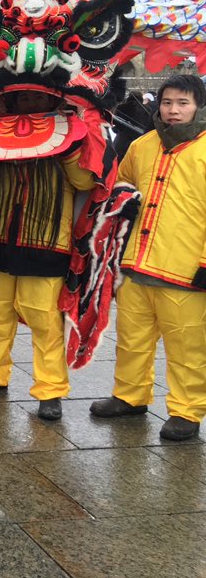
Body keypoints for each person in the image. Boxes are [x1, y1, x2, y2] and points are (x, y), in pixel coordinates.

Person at [0, 90, 96, 421]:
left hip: (46, 242)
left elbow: (86, 180)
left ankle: (50, 389)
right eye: (23, 99)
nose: (29, 105)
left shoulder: (68, 133)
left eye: (36, 99)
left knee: (44, 321)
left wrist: (69, 145)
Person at [90, 75, 206, 441]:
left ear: (198, 106)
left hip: (185, 270)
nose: (173, 110)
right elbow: (121, 186)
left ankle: (186, 411)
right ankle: (130, 395)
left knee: (186, 346)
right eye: (167, 102)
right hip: (136, 263)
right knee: (132, 338)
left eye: (182, 103)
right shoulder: (142, 145)